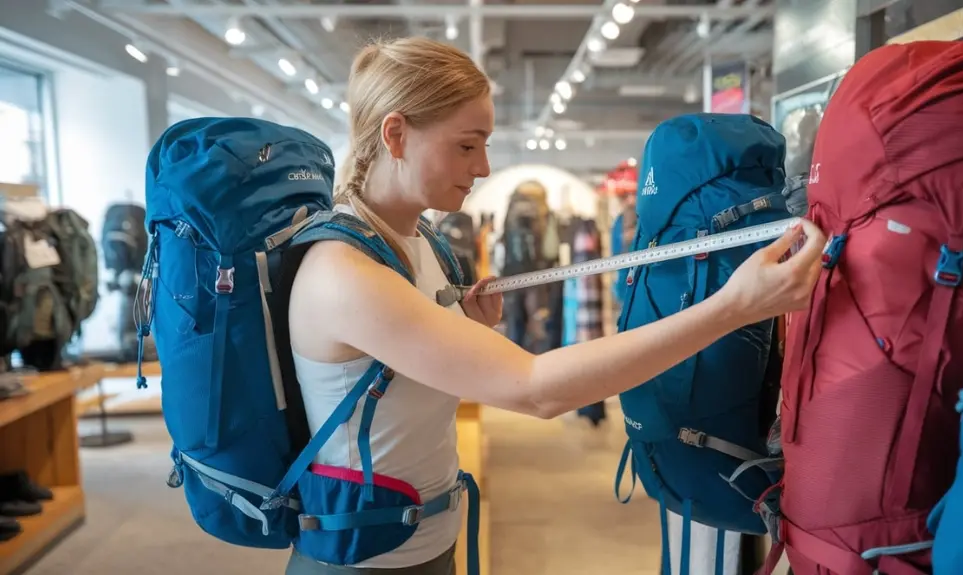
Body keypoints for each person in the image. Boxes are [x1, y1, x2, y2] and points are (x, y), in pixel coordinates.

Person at [286, 36, 826, 575]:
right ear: (396, 134)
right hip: (361, 561)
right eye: (467, 146)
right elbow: (536, 389)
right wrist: (731, 308)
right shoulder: (344, 273)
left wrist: (456, 331)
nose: (484, 169)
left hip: (426, 542)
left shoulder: (421, 243)